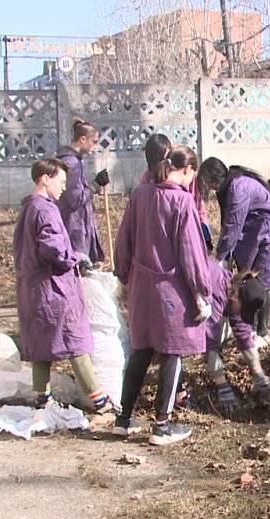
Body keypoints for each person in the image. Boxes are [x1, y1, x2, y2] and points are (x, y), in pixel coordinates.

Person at [113, 145, 211, 445]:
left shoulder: (140, 195)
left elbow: (123, 240)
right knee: (172, 351)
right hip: (171, 288)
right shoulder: (181, 203)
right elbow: (192, 253)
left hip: (142, 285)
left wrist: (123, 274)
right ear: (187, 170)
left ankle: (124, 419)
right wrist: (202, 290)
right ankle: (161, 425)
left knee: (141, 350)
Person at [13, 158, 114, 413]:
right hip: (53, 287)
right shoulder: (45, 209)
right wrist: (75, 258)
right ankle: (99, 400)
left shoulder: (26, 208)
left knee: (41, 345)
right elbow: (53, 248)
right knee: (74, 338)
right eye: (60, 182)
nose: (63, 188)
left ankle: (42, 399)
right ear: (45, 179)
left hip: (31, 288)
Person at [199, 157, 270, 347]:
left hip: (267, 233)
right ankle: (251, 329)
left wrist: (221, 257)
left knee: (261, 281)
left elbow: (234, 225)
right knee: (249, 278)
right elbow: (228, 222)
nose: (209, 188)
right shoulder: (228, 187)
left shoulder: (238, 187)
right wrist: (225, 255)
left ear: (214, 179)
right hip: (254, 233)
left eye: (208, 183)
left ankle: (263, 333)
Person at [203, 265, 270, 413]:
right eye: (242, 309)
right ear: (236, 297)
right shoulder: (216, 293)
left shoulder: (236, 290)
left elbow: (243, 334)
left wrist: (259, 376)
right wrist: (222, 386)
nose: (241, 313)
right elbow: (210, 342)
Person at [140, 134, 213, 251]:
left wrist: (204, 236)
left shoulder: (187, 174)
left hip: (188, 231)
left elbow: (198, 208)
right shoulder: (146, 180)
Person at [56, 118, 108, 264]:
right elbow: (75, 199)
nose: (95, 146)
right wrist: (95, 185)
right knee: (79, 269)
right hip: (74, 228)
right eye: (94, 141)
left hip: (79, 225)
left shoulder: (76, 161)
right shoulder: (71, 163)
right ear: (83, 139)